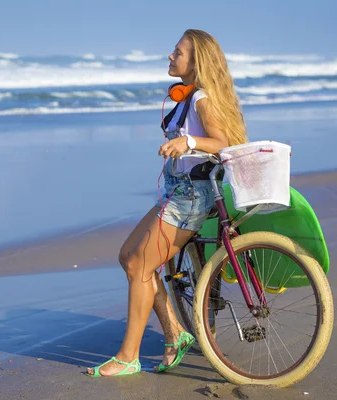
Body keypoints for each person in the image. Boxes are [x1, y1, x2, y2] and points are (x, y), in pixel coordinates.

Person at [87, 29, 248, 377]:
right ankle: (175, 333)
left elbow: (224, 143)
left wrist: (187, 141)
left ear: (196, 62)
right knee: (128, 257)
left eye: (178, 53)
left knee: (139, 267)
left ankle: (128, 356)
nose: (170, 57)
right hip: (176, 190)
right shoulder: (187, 98)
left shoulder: (203, 98)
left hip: (191, 195)